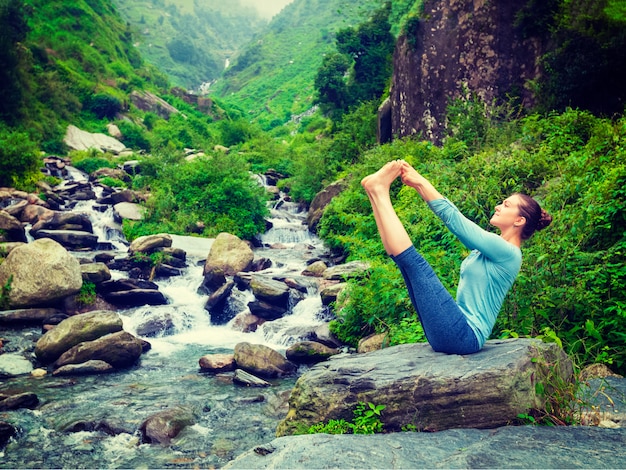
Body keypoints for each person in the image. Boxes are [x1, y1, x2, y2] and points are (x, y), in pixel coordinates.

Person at [361, 159, 552, 354]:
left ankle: (379, 191)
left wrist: (421, 183)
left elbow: (456, 220)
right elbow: (456, 221)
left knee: (415, 264)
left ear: (519, 220)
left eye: (506, 205)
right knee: (406, 265)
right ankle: (375, 194)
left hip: (465, 336)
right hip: (455, 331)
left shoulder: (509, 253)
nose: (498, 206)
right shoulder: (488, 249)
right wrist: (419, 185)